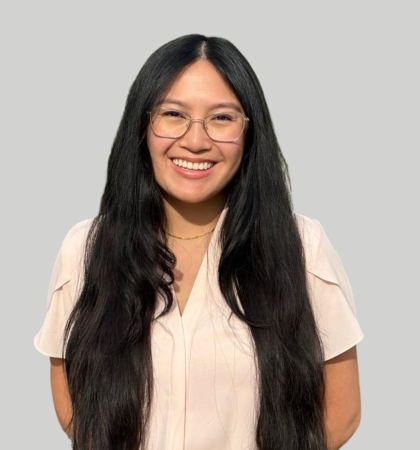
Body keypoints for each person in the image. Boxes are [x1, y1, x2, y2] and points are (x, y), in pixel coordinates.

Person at [34, 34, 363, 450]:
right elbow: (73, 401)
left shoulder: (300, 247)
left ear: (249, 132)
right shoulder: (86, 249)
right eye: (174, 114)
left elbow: (342, 411)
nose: (195, 140)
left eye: (222, 118)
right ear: (143, 124)